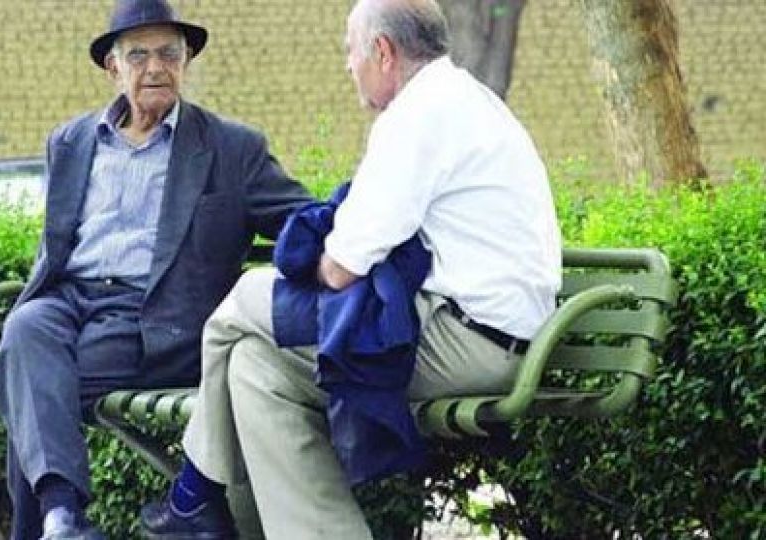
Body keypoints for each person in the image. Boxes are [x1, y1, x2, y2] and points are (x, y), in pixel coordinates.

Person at [139, 0, 562, 538]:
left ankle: (193, 494)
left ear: (383, 51)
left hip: (469, 343)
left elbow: (342, 266)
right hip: (487, 333)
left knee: (242, 301)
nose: (347, 65)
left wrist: (318, 256)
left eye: (350, 50)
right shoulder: (464, 99)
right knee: (253, 367)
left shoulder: (418, 115)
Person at [0, 0, 312, 538]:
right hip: (67, 302)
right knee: (24, 330)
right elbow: (54, 252)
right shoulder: (70, 141)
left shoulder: (230, 148)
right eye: (138, 56)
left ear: (186, 61)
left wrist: (363, 230)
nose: (156, 68)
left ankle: (59, 518)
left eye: (169, 54)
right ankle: (61, 522)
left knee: (28, 379)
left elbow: (302, 217)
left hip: (151, 318)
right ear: (113, 68)